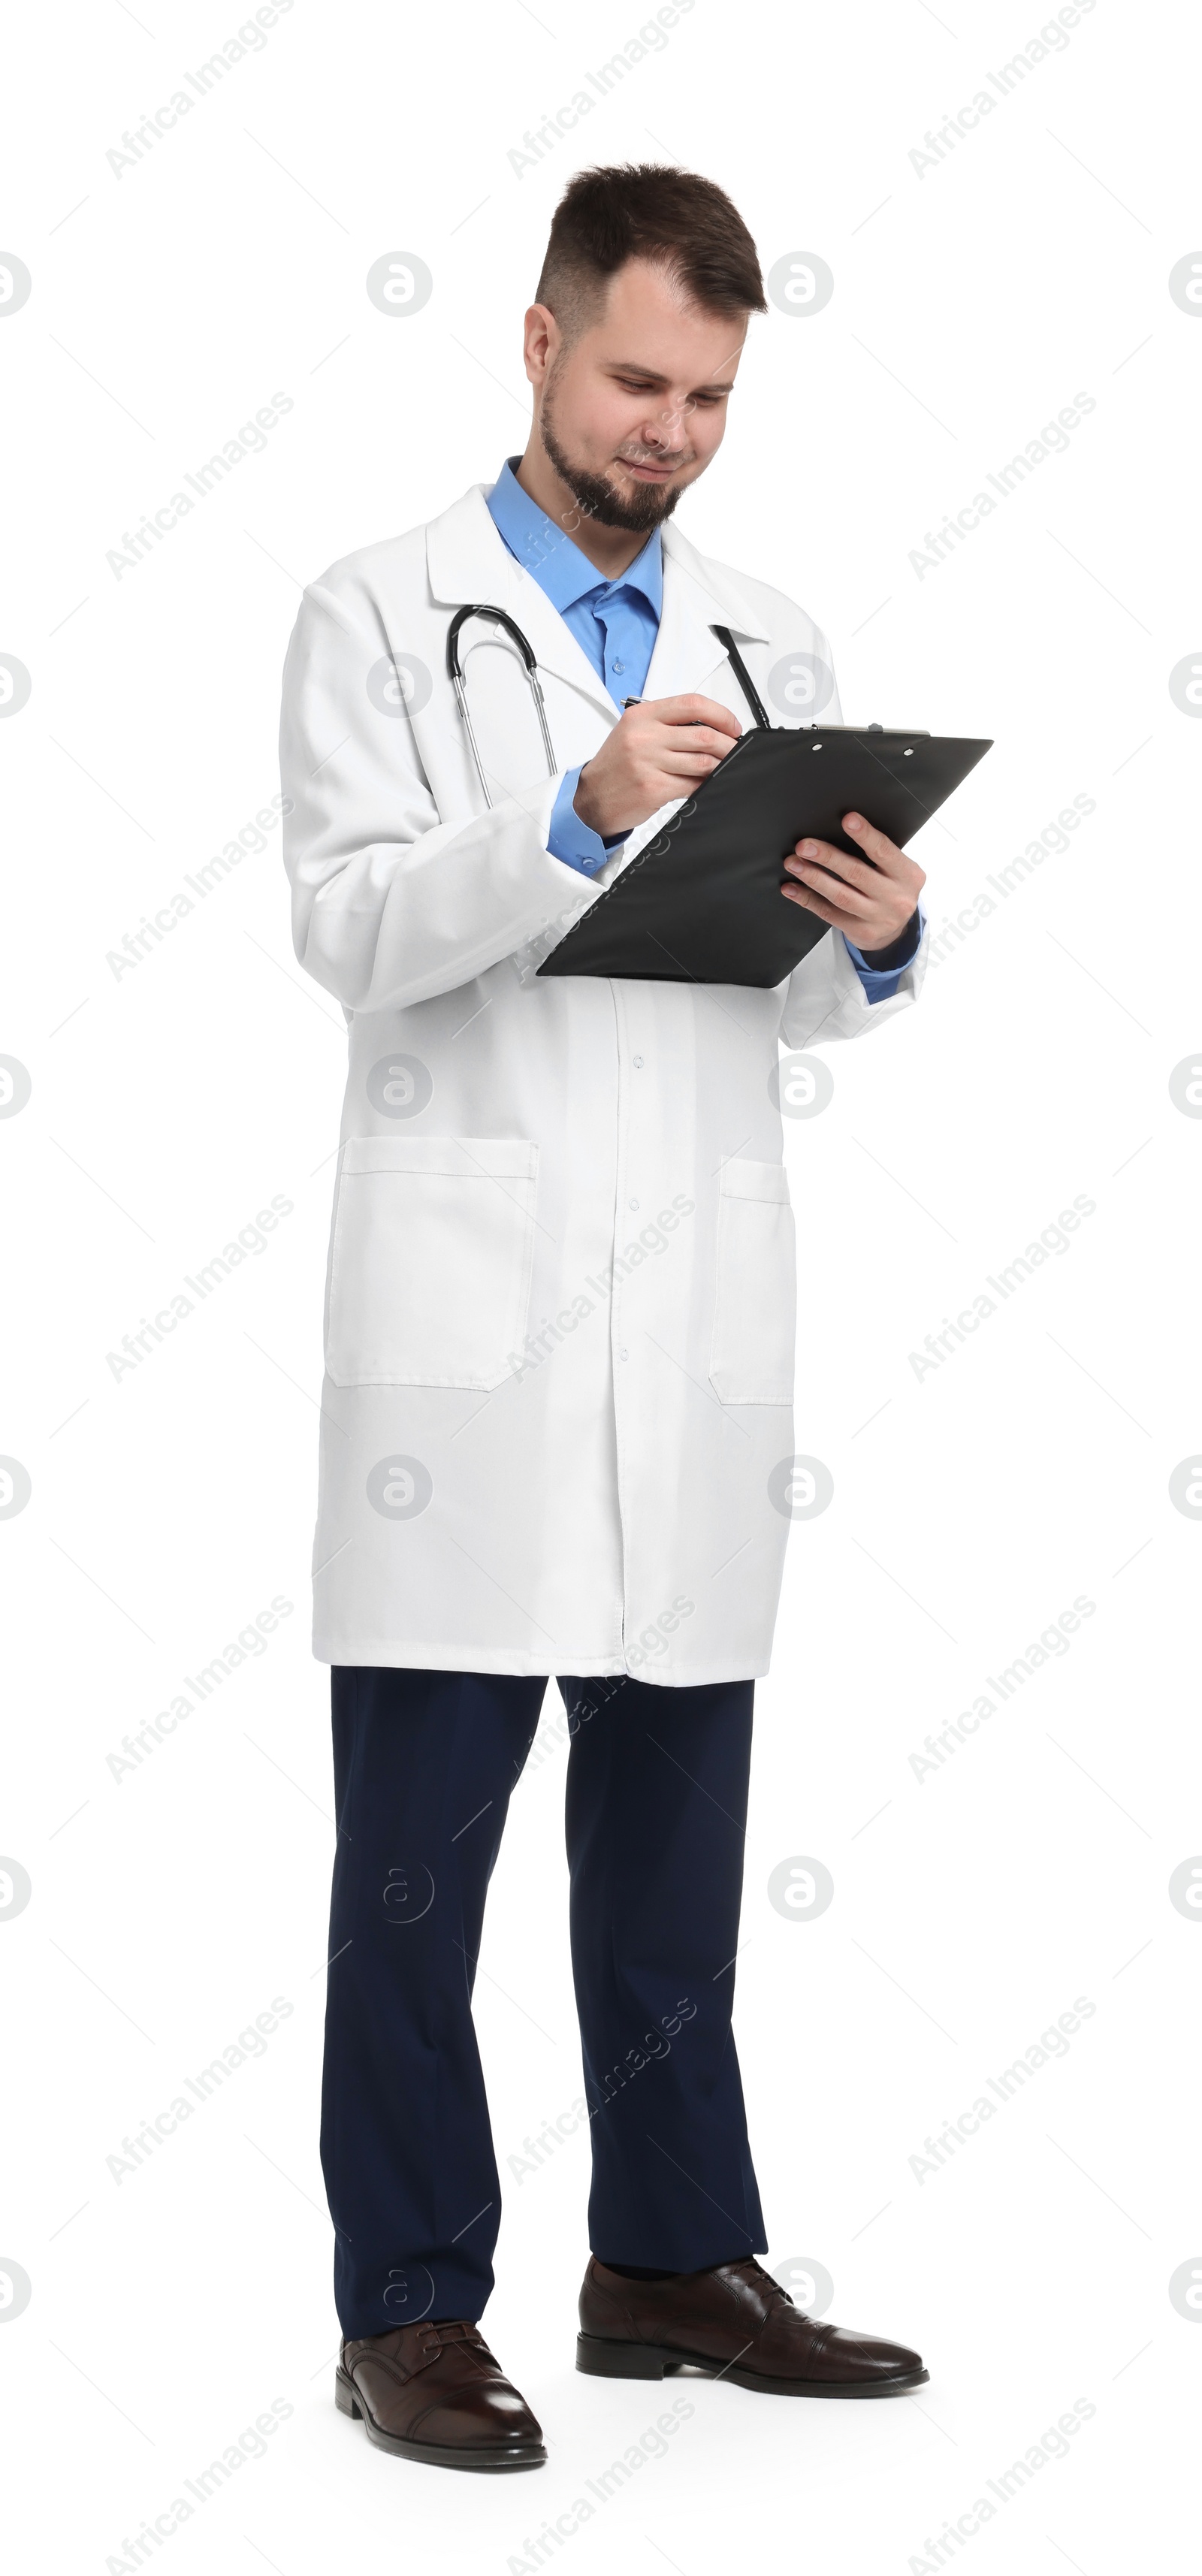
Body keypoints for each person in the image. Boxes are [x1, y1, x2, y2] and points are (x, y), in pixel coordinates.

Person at [279, 162, 930, 2475]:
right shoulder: (379, 615)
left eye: (714, 399)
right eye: (641, 379)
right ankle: (409, 2306)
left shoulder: (769, 636)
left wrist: (879, 925)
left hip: (697, 1332)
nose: (671, 432)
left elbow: (801, 1009)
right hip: (470, 1355)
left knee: (668, 1858)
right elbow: (351, 934)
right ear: (538, 343)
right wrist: (567, 808)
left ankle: (668, 2256)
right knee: (417, 1881)